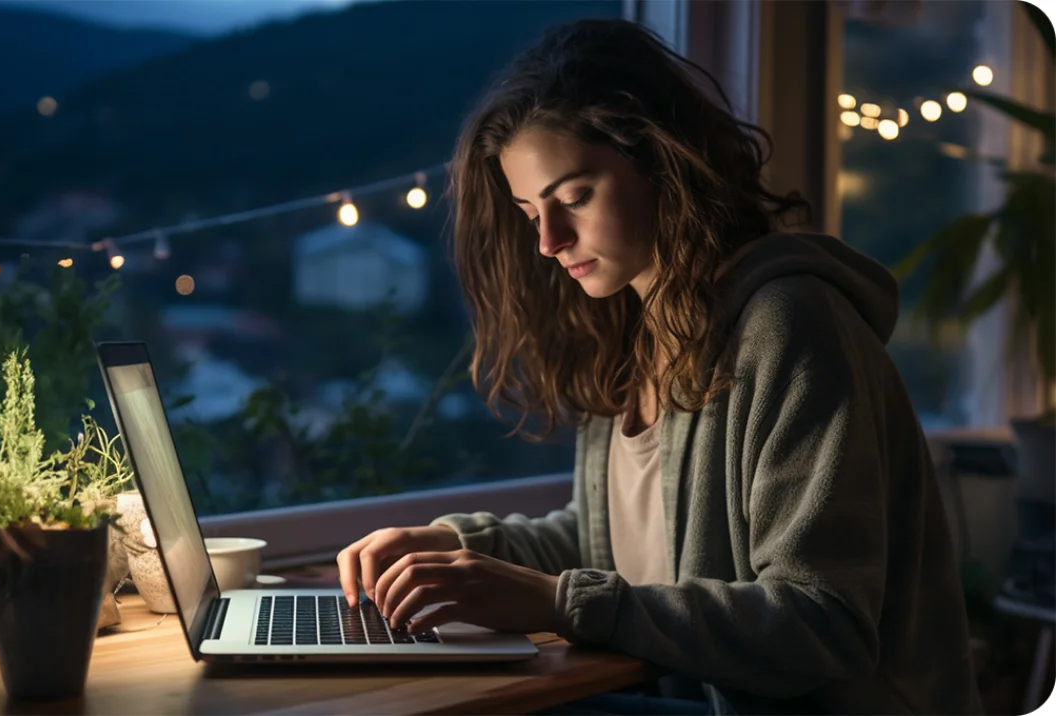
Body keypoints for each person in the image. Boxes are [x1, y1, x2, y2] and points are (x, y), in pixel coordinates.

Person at [335, 17, 984, 716]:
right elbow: (611, 546)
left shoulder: (792, 327)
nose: (549, 242)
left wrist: (558, 602)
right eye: (531, 213)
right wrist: (453, 549)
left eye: (575, 197)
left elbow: (822, 624)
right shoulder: (633, 333)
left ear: (663, 161)